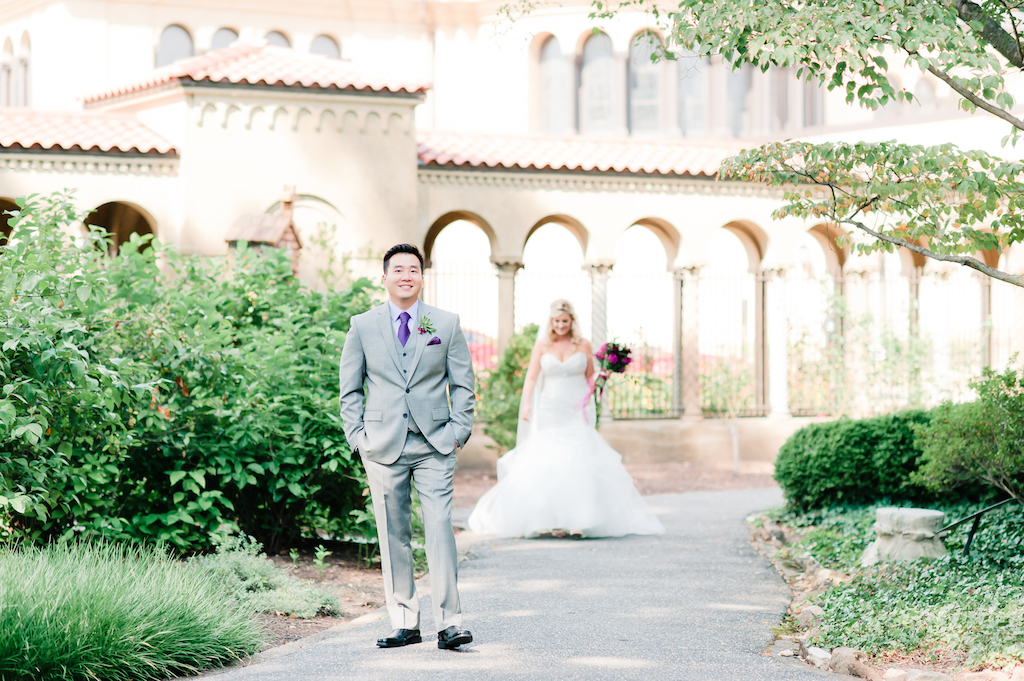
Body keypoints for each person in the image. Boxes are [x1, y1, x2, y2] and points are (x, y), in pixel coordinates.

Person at [338, 243, 475, 650]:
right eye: (398, 269)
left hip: (435, 443)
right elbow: (350, 390)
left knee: (438, 529)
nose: (405, 276)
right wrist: (358, 439)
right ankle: (405, 621)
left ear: (421, 276)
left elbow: (463, 384)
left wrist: (457, 432)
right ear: (384, 277)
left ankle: (450, 622)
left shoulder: (445, 324)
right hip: (382, 446)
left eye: (413, 269)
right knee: (392, 533)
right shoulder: (362, 325)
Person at [467, 299, 664, 539]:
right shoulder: (542, 345)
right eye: (557, 321)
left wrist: (604, 376)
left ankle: (578, 520)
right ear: (551, 322)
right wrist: (527, 403)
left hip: (575, 408)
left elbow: (591, 376)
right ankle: (553, 520)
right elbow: (531, 378)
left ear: (572, 321)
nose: (560, 325)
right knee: (550, 461)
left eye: (565, 321)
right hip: (550, 408)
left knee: (578, 459)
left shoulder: (583, 344)